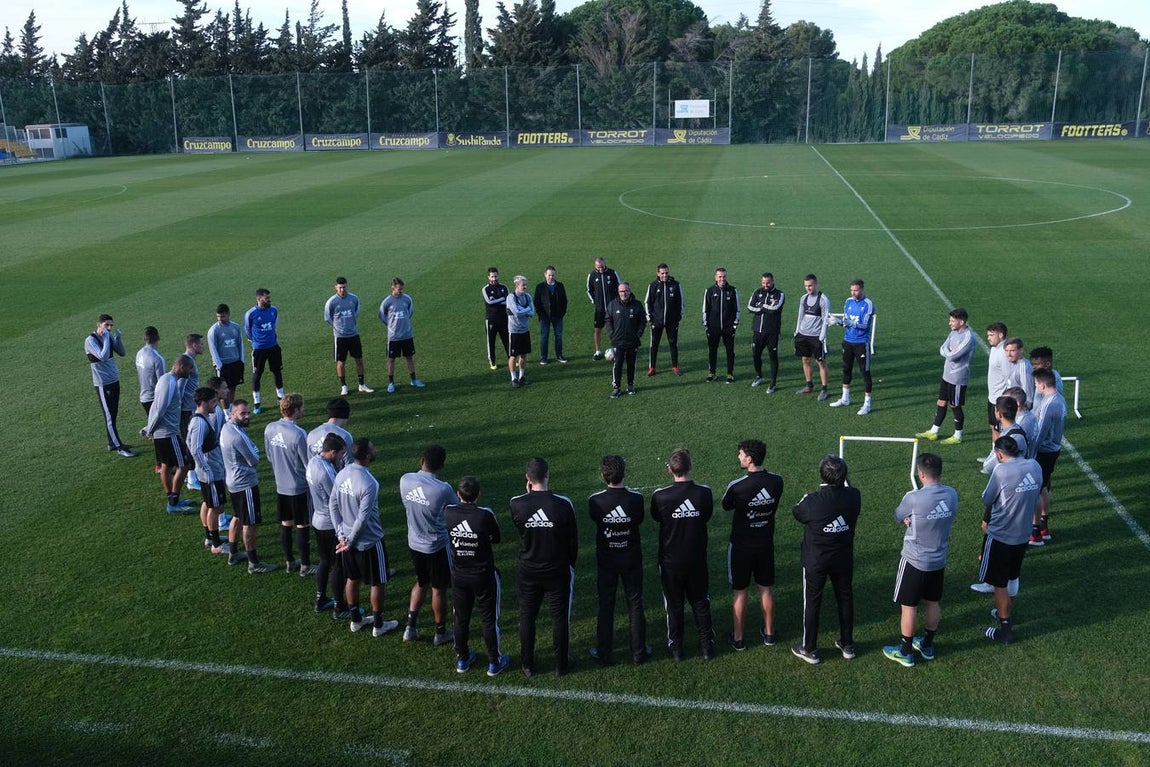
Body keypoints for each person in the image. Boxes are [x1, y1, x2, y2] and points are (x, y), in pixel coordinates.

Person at [881, 453, 958, 667]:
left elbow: (898, 515)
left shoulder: (914, 497)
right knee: (933, 602)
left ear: (921, 474)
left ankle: (905, 651)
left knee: (909, 606)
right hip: (938, 559)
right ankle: (927, 644)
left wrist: (910, 519)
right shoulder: (952, 494)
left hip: (914, 560)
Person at [509, 457, 579, 677]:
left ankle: (528, 664)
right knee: (559, 618)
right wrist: (570, 564)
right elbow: (572, 541)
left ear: (528, 479)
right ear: (548, 474)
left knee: (527, 616)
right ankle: (561, 665)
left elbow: (521, 529)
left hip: (529, 569)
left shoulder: (517, 503)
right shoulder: (563, 503)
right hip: (557, 569)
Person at [791, 455, 861, 665]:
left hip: (816, 561)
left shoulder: (812, 500)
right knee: (845, 598)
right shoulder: (854, 496)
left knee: (812, 602)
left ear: (822, 475)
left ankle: (809, 648)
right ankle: (847, 645)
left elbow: (797, 512)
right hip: (843, 558)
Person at [973, 437, 1041, 645]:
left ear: (1000, 455)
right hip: (1023, 535)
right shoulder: (1034, 465)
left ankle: (1005, 629)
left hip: (1002, 535)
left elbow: (987, 498)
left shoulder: (1001, 471)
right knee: (1013, 575)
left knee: (998, 582)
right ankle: (1005, 611)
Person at [650, 448, 716, 661]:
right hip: (696, 559)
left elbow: (656, 517)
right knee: (700, 601)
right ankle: (707, 646)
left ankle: (677, 648)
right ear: (691, 468)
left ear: (670, 470)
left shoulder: (660, 496)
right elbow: (705, 515)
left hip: (670, 561)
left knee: (674, 604)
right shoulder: (704, 493)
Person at [331, 438, 401, 636]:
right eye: (373, 447)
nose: (375, 448)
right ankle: (378, 625)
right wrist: (350, 540)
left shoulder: (342, 473)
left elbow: (332, 505)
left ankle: (356, 620)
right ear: (368, 455)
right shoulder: (369, 482)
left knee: (352, 578)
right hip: (369, 541)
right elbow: (362, 518)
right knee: (377, 582)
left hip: (345, 540)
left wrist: (341, 535)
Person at [721, 439, 784, 650]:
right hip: (765, 544)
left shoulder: (738, 486)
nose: (738, 457)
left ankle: (738, 639)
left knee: (740, 592)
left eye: (740, 455)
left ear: (749, 459)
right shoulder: (777, 482)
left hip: (740, 546)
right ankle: (769, 634)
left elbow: (725, 505)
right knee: (766, 590)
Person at [445, 476, 511, 676]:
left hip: (459, 575)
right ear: (478, 494)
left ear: (458, 495)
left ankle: (463, 659)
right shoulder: (484, 514)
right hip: (483, 575)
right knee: (489, 619)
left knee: (461, 618)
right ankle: (494, 661)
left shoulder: (448, 511)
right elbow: (496, 538)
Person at [587, 455, 649, 665]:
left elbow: (596, 519)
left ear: (603, 475)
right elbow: (638, 520)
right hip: (630, 557)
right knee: (635, 603)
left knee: (606, 604)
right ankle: (638, 652)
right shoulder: (636, 498)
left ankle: (605, 653)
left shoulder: (596, 500)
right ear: (624, 472)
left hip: (607, 559)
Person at [399, 444, 456, 646]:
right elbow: (456, 508)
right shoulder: (442, 488)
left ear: (422, 460)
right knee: (438, 589)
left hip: (414, 543)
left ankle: (410, 627)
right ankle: (440, 632)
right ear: (440, 466)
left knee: (421, 582)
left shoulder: (405, 480)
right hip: (436, 546)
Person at [219, 399, 276, 573]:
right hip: (245, 484)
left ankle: (234, 552)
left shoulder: (226, 428)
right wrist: (255, 449)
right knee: (249, 523)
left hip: (233, 481)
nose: (247, 416)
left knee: (237, 516)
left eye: (248, 412)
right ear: (233, 413)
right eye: (243, 413)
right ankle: (253, 563)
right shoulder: (238, 435)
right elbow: (254, 459)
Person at [264, 392, 315, 574]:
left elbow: (269, 455)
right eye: (302, 408)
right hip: (299, 487)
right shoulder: (299, 434)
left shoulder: (269, 428)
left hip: (281, 485)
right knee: (302, 525)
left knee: (286, 524)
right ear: (295, 410)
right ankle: (306, 566)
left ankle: (289, 561)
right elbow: (307, 463)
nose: (303, 410)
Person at [915, 308, 976, 444]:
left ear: (961, 321)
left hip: (958, 378)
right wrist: (949, 352)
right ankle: (934, 431)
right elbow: (942, 349)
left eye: (952, 321)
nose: (950, 323)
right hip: (947, 375)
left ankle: (958, 435)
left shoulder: (969, 337)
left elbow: (954, 356)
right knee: (941, 402)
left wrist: (949, 353)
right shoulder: (953, 333)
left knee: (955, 405)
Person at [142, 355, 195, 513]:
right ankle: (173, 501)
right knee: (184, 465)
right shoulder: (170, 382)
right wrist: (149, 429)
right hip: (167, 433)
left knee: (165, 466)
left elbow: (156, 406)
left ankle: (171, 500)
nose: (191, 371)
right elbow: (160, 409)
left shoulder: (168, 379)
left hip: (163, 433)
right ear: (181, 367)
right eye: (189, 368)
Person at [307, 433, 348, 615]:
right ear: (332, 452)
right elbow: (338, 498)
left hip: (318, 518)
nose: (342, 458)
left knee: (324, 561)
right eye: (340, 454)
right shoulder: (326, 471)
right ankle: (339, 606)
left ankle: (321, 598)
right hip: (330, 524)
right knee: (338, 565)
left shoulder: (313, 462)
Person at [85, 314, 136, 457]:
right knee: (109, 415)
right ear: (99, 324)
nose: (109, 328)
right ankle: (120, 447)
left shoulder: (107, 337)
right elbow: (102, 356)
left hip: (114, 380)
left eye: (111, 325)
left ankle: (111, 443)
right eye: (106, 325)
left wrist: (118, 338)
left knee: (113, 413)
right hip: (102, 384)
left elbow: (122, 352)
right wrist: (108, 338)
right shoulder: (90, 340)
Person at [187, 386, 230, 556]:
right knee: (215, 507)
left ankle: (210, 537)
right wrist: (207, 471)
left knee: (208, 503)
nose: (215, 404)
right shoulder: (199, 422)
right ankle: (216, 544)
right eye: (213, 402)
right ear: (203, 403)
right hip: (210, 471)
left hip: (210, 469)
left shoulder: (201, 419)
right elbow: (195, 449)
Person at [828, 279, 875, 415]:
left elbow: (865, 326)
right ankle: (845, 398)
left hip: (861, 343)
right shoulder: (848, 302)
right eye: (852, 290)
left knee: (864, 372)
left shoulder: (868, 304)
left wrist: (848, 322)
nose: (853, 293)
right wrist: (838, 322)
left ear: (862, 289)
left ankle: (867, 404)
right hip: (847, 341)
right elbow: (846, 323)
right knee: (846, 369)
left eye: (856, 290)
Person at [1031, 368, 1066, 545]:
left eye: (1036, 384)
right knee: (1044, 487)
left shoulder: (1048, 404)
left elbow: (1041, 433)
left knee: (1036, 490)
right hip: (1054, 449)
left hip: (1044, 452)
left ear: (1043, 385)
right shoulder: (1060, 398)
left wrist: (1031, 453)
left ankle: (1035, 532)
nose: (1035, 386)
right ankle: (1044, 527)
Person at [324, 276, 374, 395]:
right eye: (340, 287)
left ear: (347, 286)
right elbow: (328, 318)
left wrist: (350, 325)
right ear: (335, 287)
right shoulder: (331, 302)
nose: (342, 289)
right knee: (341, 362)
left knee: (359, 359)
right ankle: (344, 386)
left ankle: (361, 384)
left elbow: (356, 312)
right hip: (340, 337)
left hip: (353, 334)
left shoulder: (354, 298)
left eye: (344, 287)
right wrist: (338, 327)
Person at [378, 277, 426, 393]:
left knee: (409, 357)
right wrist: (391, 326)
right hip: (393, 337)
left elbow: (409, 312)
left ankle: (413, 379)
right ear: (393, 288)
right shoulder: (387, 302)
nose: (401, 291)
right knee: (391, 359)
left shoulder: (407, 299)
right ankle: (391, 383)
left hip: (407, 335)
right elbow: (381, 316)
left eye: (402, 289)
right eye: (399, 289)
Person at [244, 289, 284, 416]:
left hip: (273, 346)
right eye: (266, 298)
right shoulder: (251, 314)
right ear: (259, 299)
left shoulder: (274, 310)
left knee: (277, 371)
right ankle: (257, 403)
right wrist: (256, 341)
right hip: (259, 349)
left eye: (269, 297)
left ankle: (281, 398)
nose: (269, 300)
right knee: (257, 374)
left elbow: (274, 325)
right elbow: (247, 330)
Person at [606, 282, 647, 398]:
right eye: (621, 291)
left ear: (630, 291)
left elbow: (643, 321)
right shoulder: (613, 305)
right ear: (618, 292)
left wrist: (638, 334)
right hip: (618, 341)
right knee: (617, 365)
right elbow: (608, 320)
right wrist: (612, 334)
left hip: (632, 341)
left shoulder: (637, 305)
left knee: (631, 364)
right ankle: (616, 387)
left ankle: (630, 385)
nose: (624, 293)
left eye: (626, 291)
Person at [793, 274, 830, 400]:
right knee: (805, 360)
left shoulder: (823, 299)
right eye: (806, 286)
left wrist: (822, 337)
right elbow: (800, 315)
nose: (808, 288)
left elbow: (825, 319)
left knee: (820, 362)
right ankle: (809, 385)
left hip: (816, 336)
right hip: (803, 335)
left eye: (810, 285)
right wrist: (797, 331)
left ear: (816, 284)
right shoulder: (803, 298)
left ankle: (824, 389)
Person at [747, 272, 785, 392]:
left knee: (773, 356)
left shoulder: (780, 294)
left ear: (772, 281)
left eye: (768, 282)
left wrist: (761, 306)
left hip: (772, 332)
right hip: (757, 331)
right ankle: (759, 376)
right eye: (763, 282)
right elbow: (750, 307)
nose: (765, 285)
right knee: (755, 354)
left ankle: (773, 383)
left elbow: (775, 308)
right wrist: (764, 306)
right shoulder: (757, 292)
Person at [644, 263, 684, 376]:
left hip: (672, 322)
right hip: (656, 321)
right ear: (658, 273)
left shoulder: (676, 285)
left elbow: (681, 302)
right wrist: (650, 318)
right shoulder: (652, 286)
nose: (665, 275)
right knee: (654, 344)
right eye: (662, 273)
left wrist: (678, 317)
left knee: (673, 344)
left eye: (666, 273)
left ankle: (675, 366)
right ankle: (652, 367)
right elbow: (647, 302)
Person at [703, 268, 739, 383]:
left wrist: (734, 325)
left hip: (728, 328)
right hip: (713, 328)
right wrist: (706, 326)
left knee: (730, 351)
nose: (722, 279)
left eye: (724, 276)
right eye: (720, 277)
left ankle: (730, 373)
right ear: (715, 277)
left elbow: (737, 309)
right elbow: (705, 310)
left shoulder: (733, 290)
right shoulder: (709, 291)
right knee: (712, 351)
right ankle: (712, 373)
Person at [982, 322, 1011, 460]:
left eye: (991, 335)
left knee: (999, 431)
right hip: (992, 397)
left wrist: (1004, 399)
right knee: (993, 427)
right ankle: (992, 456)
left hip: (999, 400)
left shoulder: (1003, 354)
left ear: (1001, 335)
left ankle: (997, 459)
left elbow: (1008, 378)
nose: (988, 338)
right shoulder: (994, 349)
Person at [207, 303, 245, 410]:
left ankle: (231, 408)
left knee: (232, 388)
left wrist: (241, 360)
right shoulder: (214, 330)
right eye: (218, 316)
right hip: (223, 365)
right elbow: (213, 349)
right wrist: (219, 365)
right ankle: (226, 412)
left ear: (228, 314)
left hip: (235, 362)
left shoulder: (236, 327)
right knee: (222, 391)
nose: (220, 319)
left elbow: (240, 344)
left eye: (223, 316)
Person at [180, 333, 205, 490]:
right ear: (194, 345)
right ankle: (191, 478)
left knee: (191, 441)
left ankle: (191, 475)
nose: (203, 346)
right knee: (190, 442)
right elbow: (180, 387)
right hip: (186, 409)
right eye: (201, 344)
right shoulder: (187, 362)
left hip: (189, 407)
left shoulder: (188, 360)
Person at [587, 257, 621, 360]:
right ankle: (597, 351)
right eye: (598, 267)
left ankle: (615, 351)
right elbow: (589, 290)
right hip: (600, 310)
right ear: (595, 266)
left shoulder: (612, 273)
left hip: (612, 309)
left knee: (614, 331)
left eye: (602, 266)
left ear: (604, 264)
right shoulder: (592, 275)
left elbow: (620, 287)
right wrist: (595, 302)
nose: (600, 268)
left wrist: (617, 303)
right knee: (597, 330)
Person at [534, 266, 568, 365]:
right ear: (545, 275)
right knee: (544, 337)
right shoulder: (540, 287)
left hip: (558, 316)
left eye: (552, 275)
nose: (551, 277)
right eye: (549, 275)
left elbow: (564, 300)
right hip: (545, 317)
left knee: (558, 336)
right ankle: (543, 357)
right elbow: (536, 302)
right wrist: (541, 314)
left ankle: (559, 355)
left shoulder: (560, 285)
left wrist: (562, 313)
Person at [506, 275, 535, 388]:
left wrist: (524, 310)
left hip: (525, 330)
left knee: (523, 354)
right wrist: (526, 309)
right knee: (513, 355)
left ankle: (522, 377)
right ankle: (514, 378)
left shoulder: (527, 296)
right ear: (517, 285)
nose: (525, 287)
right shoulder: (511, 297)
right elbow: (517, 312)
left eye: (526, 285)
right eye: (523, 285)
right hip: (514, 331)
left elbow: (532, 313)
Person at [308, 397, 353, 464]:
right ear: (345, 415)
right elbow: (349, 466)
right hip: (336, 474)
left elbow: (309, 462)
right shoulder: (345, 436)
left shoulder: (312, 434)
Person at [482, 267, 511, 370]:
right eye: (492, 276)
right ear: (488, 277)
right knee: (491, 342)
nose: (494, 278)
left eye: (495, 276)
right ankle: (492, 362)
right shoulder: (485, 289)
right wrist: (501, 299)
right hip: (491, 320)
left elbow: (508, 301)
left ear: (498, 275)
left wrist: (497, 301)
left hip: (504, 319)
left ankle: (511, 359)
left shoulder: (504, 287)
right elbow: (489, 303)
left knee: (507, 340)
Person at [135, 326, 165, 416]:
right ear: (158, 337)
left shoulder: (139, 353)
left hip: (143, 397)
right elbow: (162, 383)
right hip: (154, 399)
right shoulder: (157, 358)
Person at [1002, 337, 1034, 407]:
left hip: (1018, 408)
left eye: (1012, 351)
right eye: (1006, 351)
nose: (1008, 354)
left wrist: (1021, 411)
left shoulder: (1024, 368)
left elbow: (1028, 396)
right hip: (1010, 405)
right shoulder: (1010, 362)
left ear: (1021, 350)